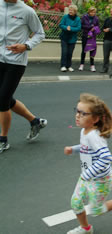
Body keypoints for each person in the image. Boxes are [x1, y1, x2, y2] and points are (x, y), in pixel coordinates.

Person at [64, 93, 112, 234]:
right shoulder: (84, 131)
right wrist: (73, 149)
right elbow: (86, 148)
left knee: (96, 211)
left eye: (83, 113)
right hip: (87, 176)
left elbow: (106, 158)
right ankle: (86, 229)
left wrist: (88, 174)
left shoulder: (94, 136)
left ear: (95, 119)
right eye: (77, 111)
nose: (78, 115)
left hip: (100, 180)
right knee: (75, 202)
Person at [0, 0, 47, 154]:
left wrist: (26, 46)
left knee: (2, 100)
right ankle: (35, 121)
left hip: (16, 62)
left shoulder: (27, 11)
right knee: (6, 98)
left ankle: (3, 140)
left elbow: (40, 33)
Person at [59, 4, 81, 72]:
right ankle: (63, 66)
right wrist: (66, 28)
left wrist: (71, 28)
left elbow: (78, 28)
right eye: (70, 10)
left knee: (70, 53)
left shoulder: (77, 19)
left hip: (72, 39)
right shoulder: (65, 17)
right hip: (64, 37)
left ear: (75, 11)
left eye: (72, 10)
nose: (70, 11)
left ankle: (69, 66)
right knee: (64, 52)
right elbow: (61, 25)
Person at [79, 7, 100, 72]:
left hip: (92, 37)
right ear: (89, 12)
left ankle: (92, 66)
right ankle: (81, 64)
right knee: (84, 50)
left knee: (92, 51)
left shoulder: (96, 18)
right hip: (85, 36)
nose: (93, 13)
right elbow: (81, 26)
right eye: (91, 12)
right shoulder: (84, 17)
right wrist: (90, 27)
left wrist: (95, 28)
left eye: (94, 12)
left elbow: (98, 26)